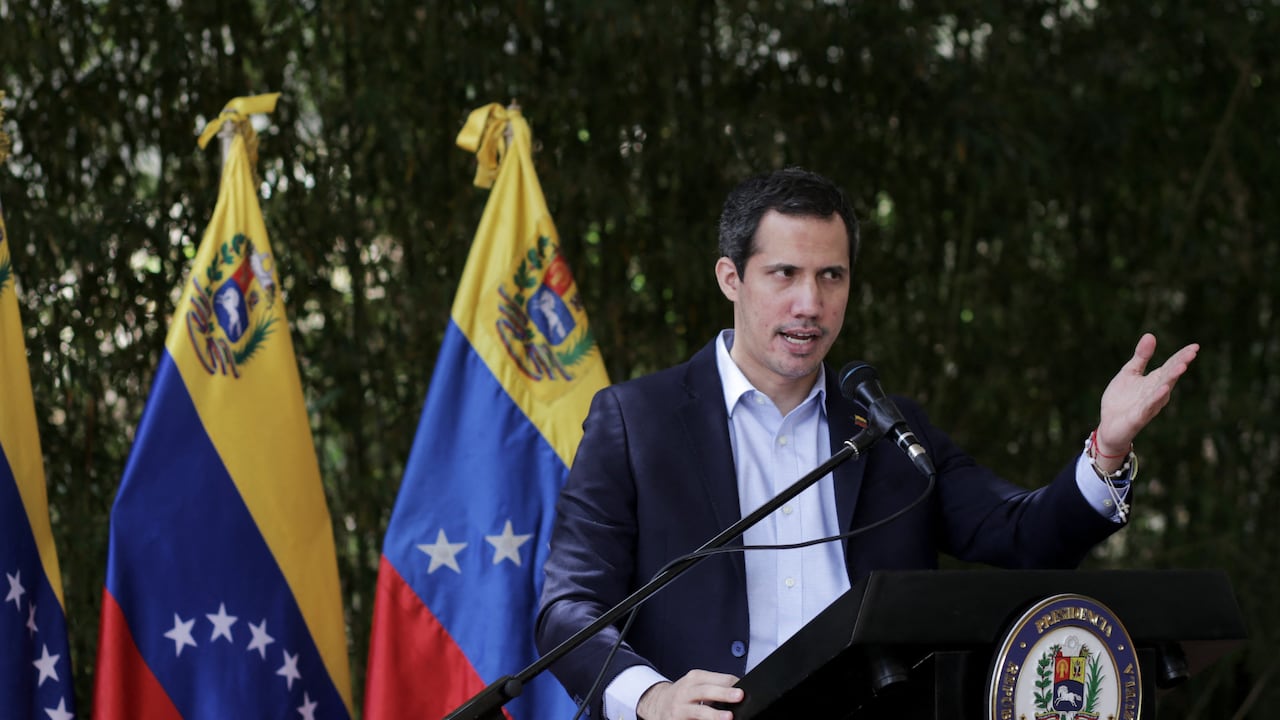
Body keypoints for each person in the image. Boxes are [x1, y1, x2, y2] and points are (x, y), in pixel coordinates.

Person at [535, 167, 1198, 720]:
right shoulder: (636, 421)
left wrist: (1106, 449)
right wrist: (652, 696)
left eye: (832, 277)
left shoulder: (889, 428)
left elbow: (1024, 536)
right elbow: (568, 612)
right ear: (730, 279)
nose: (810, 304)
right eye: (785, 274)